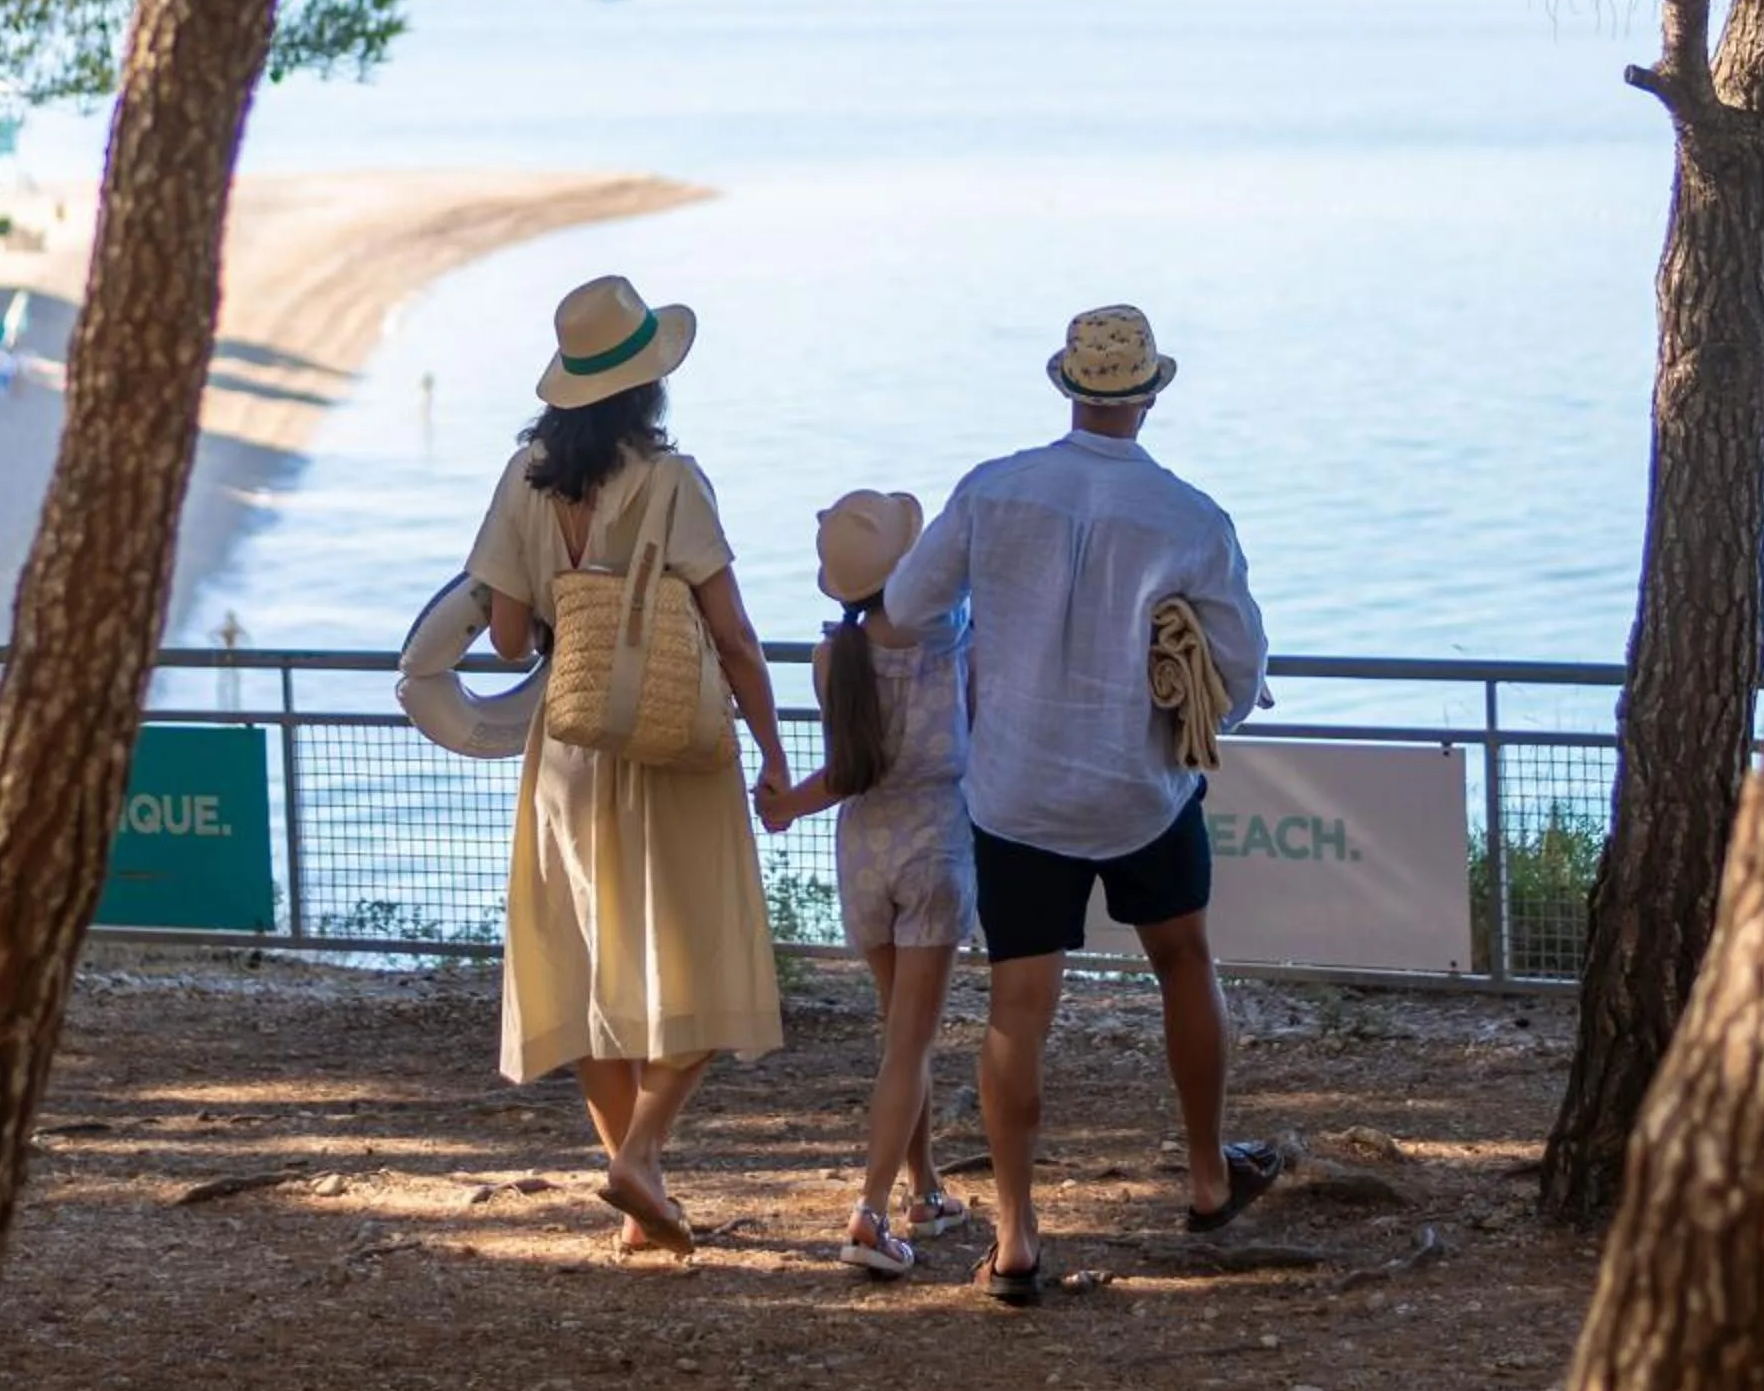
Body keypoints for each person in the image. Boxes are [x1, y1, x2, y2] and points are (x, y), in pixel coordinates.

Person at [876, 304, 1276, 1305]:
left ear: (1067, 387)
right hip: (1141, 783)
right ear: (1148, 394)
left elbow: (909, 608)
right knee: (1184, 958)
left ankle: (1014, 1235)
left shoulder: (994, 487)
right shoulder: (1191, 516)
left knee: (1019, 1006)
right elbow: (1242, 658)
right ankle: (1207, 1173)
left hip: (1016, 790)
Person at [468, 276, 791, 1258]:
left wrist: (579, 613)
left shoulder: (525, 475)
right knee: (712, 948)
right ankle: (640, 1153)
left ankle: (640, 1191)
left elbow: (511, 638)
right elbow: (732, 634)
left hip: (571, 748)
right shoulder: (674, 480)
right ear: (648, 385)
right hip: (674, 743)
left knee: (590, 964)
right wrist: (775, 751)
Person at [756, 492, 974, 1277]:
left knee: (899, 1042)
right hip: (937, 850)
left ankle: (927, 1190)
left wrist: (784, 807)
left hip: (863, 857)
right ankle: (872, 1213)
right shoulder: (956, 642)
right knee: (910, 1043)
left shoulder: (832, 659)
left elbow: (850, 772)